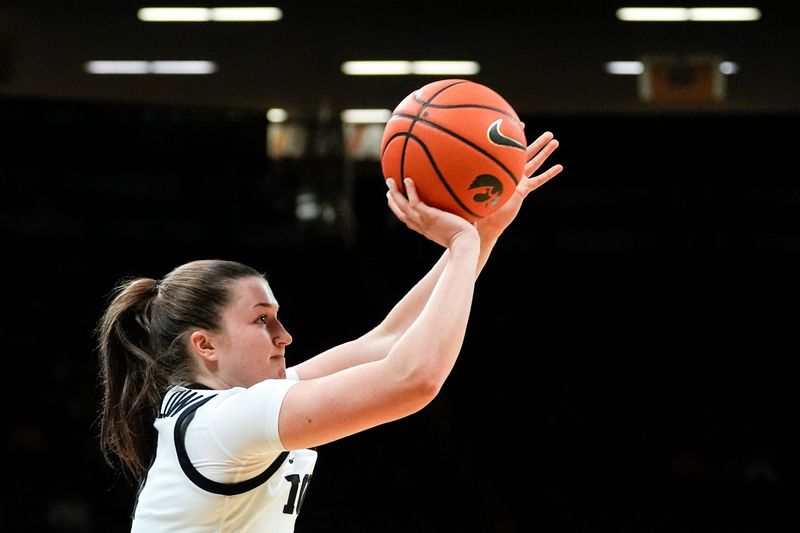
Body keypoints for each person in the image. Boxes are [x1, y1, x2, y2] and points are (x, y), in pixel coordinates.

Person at [96, 130, 563, 532]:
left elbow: (386, 341)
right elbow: (414, 379)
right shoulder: (223, 422)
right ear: (205, 344)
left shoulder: (225, 408)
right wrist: (461, 243)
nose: (284, 336)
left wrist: (483, 233)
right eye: (262, 319)